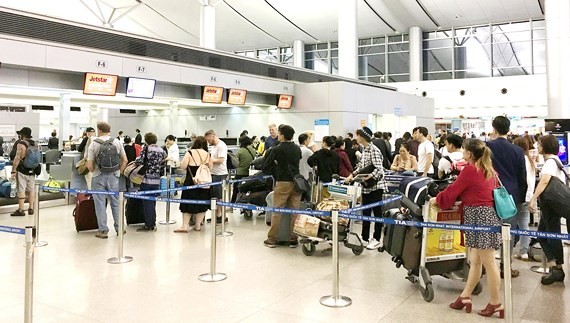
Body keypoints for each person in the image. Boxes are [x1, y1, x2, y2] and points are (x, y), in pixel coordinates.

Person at [430, 139, 503, 318]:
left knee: (489, 262)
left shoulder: (470, 170)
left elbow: (453, 190)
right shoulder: (489, 169)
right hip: (487, 216)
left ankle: (496, 303)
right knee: (476, 260)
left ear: (469, 154)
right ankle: (465, 297)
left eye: (464, 150)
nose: (463, 152)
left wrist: (437, 199)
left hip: (479, 217)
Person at [486, 116, 527, 278]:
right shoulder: (517, 151)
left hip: (490, 193)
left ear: (494, 128)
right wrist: (521, 198)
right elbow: (521, 176)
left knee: (487, 230)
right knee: (508, 233)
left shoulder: (487, 147)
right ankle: (506, 266)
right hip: (511, 196)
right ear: (508, 129)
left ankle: (485, 266)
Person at [529, 135, 568, 284]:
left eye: (539, 144)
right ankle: (555, 267)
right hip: (553, 204)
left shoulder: (550, 162)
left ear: (545, 146)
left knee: (550, 234)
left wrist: (533, 198)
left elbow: (545, 180)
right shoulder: (556, 161)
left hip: (551, 205)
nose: (537, 147)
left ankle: (556, 268)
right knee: (546, 234)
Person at [344, 127, 387, 250]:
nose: (356, 138)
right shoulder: (364, 149)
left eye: (357, 135)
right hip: (366, 186)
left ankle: (377, 239)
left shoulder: (374, 150)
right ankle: (364, 237)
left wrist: (369, 176)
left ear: (363, 136)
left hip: (376, 186)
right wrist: (352, 175)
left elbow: (380, 169)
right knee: (365, 212)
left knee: (377, 212)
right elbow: (361, 167)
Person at [262, 124, 302, 248]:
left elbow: (265, 166)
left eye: (279, 133)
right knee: (295, 212)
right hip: (296, 182)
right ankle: (294, 238)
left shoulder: (276, 149)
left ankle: (272, 239)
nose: (277, 135)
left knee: (277, 211)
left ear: (283, 135)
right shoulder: (297, 148)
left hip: (283, 182)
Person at [87, 122, 128, 239]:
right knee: (116, 202)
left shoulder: (93, 144)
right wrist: (119, 172)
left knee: (99, 203)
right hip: (114, 176)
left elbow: (89, 165)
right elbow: (125, 160)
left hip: (98, 176)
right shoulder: (117, 142)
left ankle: (103, 231)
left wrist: (93, 170)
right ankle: (119, 228)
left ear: (99, 130)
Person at [175, 136, 213, 233]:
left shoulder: (190, 153)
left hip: (191, 181)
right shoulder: (208, 154)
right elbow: (211, 168)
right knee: (202, 203)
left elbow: (183, 166)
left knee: (187, 203)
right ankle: (198, 225)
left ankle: (184, 226)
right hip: (203, 182)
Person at [135, 133, 166, 232]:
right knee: (153, 202)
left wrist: (136, 161)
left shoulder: (146, 148)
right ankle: (153, 223)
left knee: (147, 202)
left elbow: (139, 161)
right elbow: (163, 163)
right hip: (156, 180)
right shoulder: (162, 150)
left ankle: (148, 225)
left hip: (146, 178)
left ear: (146, 140)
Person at [512, 137, 536, 262]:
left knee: (509, 225)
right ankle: (524, 252)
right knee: (524, 226)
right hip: (528, 197)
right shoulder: (530, 161)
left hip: (519, 197)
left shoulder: (519, 160)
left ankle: (506, 252)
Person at [9, 127, 37, 217]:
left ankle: (21, 209)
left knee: (21, 189)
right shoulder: (35, 143)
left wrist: (13, 171)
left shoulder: (21, 144)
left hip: (22, 170)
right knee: (31, 189)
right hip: (32, 170)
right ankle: (31, 208)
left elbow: (17, 158)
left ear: (22, 135)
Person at [204, 129, 228, 222]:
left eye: (209, 140)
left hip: (220, 174)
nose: (208, 142)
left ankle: (222, 216)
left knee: (219, 196)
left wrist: (209, 161)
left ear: (213, 136)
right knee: (215, 196)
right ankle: (217, 215)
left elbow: (221, 160)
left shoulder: (221, 146)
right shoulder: (214, 146)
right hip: (214, 174)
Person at [230, 136, 256, 203]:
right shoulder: (253, 151)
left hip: (240, 173)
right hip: (249, 173)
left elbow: (235, 161)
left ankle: (233, 203)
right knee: (247, 190)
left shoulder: (240, 151)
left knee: (236, 189)